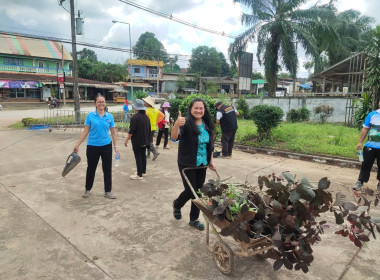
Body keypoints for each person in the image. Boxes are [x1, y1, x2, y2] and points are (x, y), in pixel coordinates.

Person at [171, 98, 216, 231]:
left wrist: (211, 161)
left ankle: (194, 219)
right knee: (191, 190)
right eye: (196, 108)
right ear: (191, 109)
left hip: (202, 163)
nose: (198, 110)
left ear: (204, 110)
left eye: (201, 108)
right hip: (187, 163)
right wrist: (176, 125)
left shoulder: (207, 124)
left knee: (199, 191)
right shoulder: (185, 123)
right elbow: (174, 137)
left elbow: (210, 145)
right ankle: (177, 204)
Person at [73, 94, 118, 199]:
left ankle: (108, 191)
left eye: (103, 101)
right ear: (95, 104)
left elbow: (113, 132)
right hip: (92, 146)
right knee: (91, 168)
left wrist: (115, 146)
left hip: (106, 146)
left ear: (105, 103)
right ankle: (87, 189)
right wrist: (77, 144)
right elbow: (85, 132)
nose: (101, 103)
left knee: (107, 169)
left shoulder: (109, 116)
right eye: (99, 102)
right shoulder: (90, 116)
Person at [353, 104, 380, 192]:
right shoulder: (372, 114)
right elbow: (365, 128)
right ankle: (360, 181)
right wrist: (360, 142)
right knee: (365, 165)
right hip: (370, 146)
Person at [124, 99, 151, 180]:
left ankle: (139, 174)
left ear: (136, 108)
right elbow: (149, 129)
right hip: (145, 140)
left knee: (138, 156)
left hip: (137, 141)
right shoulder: (146, 117)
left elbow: (132, 130)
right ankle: (143, 171)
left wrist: (126, 140)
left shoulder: (135, 118)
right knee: (143, 155)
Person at [143, 96, 164, 160]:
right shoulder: (156, 110)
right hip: (153, 127)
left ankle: (155, 152)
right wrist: (156, 121)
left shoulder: (147, 111)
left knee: (148, 141)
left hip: (147, 127)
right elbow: (162, 116)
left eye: (145, 102)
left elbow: (145, 120)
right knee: (150, 140)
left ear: (148, 103)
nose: (145, 103)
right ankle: (148, 154)